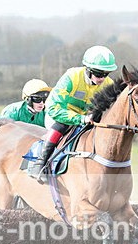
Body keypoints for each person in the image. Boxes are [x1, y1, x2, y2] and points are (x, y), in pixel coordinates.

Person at [29, 45, 116, 180]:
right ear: (88, 69)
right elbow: (54, 108)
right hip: (58, 115)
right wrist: (81, 119)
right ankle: (40, 163)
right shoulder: (72, 77)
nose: (102, 79)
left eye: (106, 74)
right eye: (99, 74)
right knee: (62, 124)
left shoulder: (108, 84)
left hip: (86, 117)